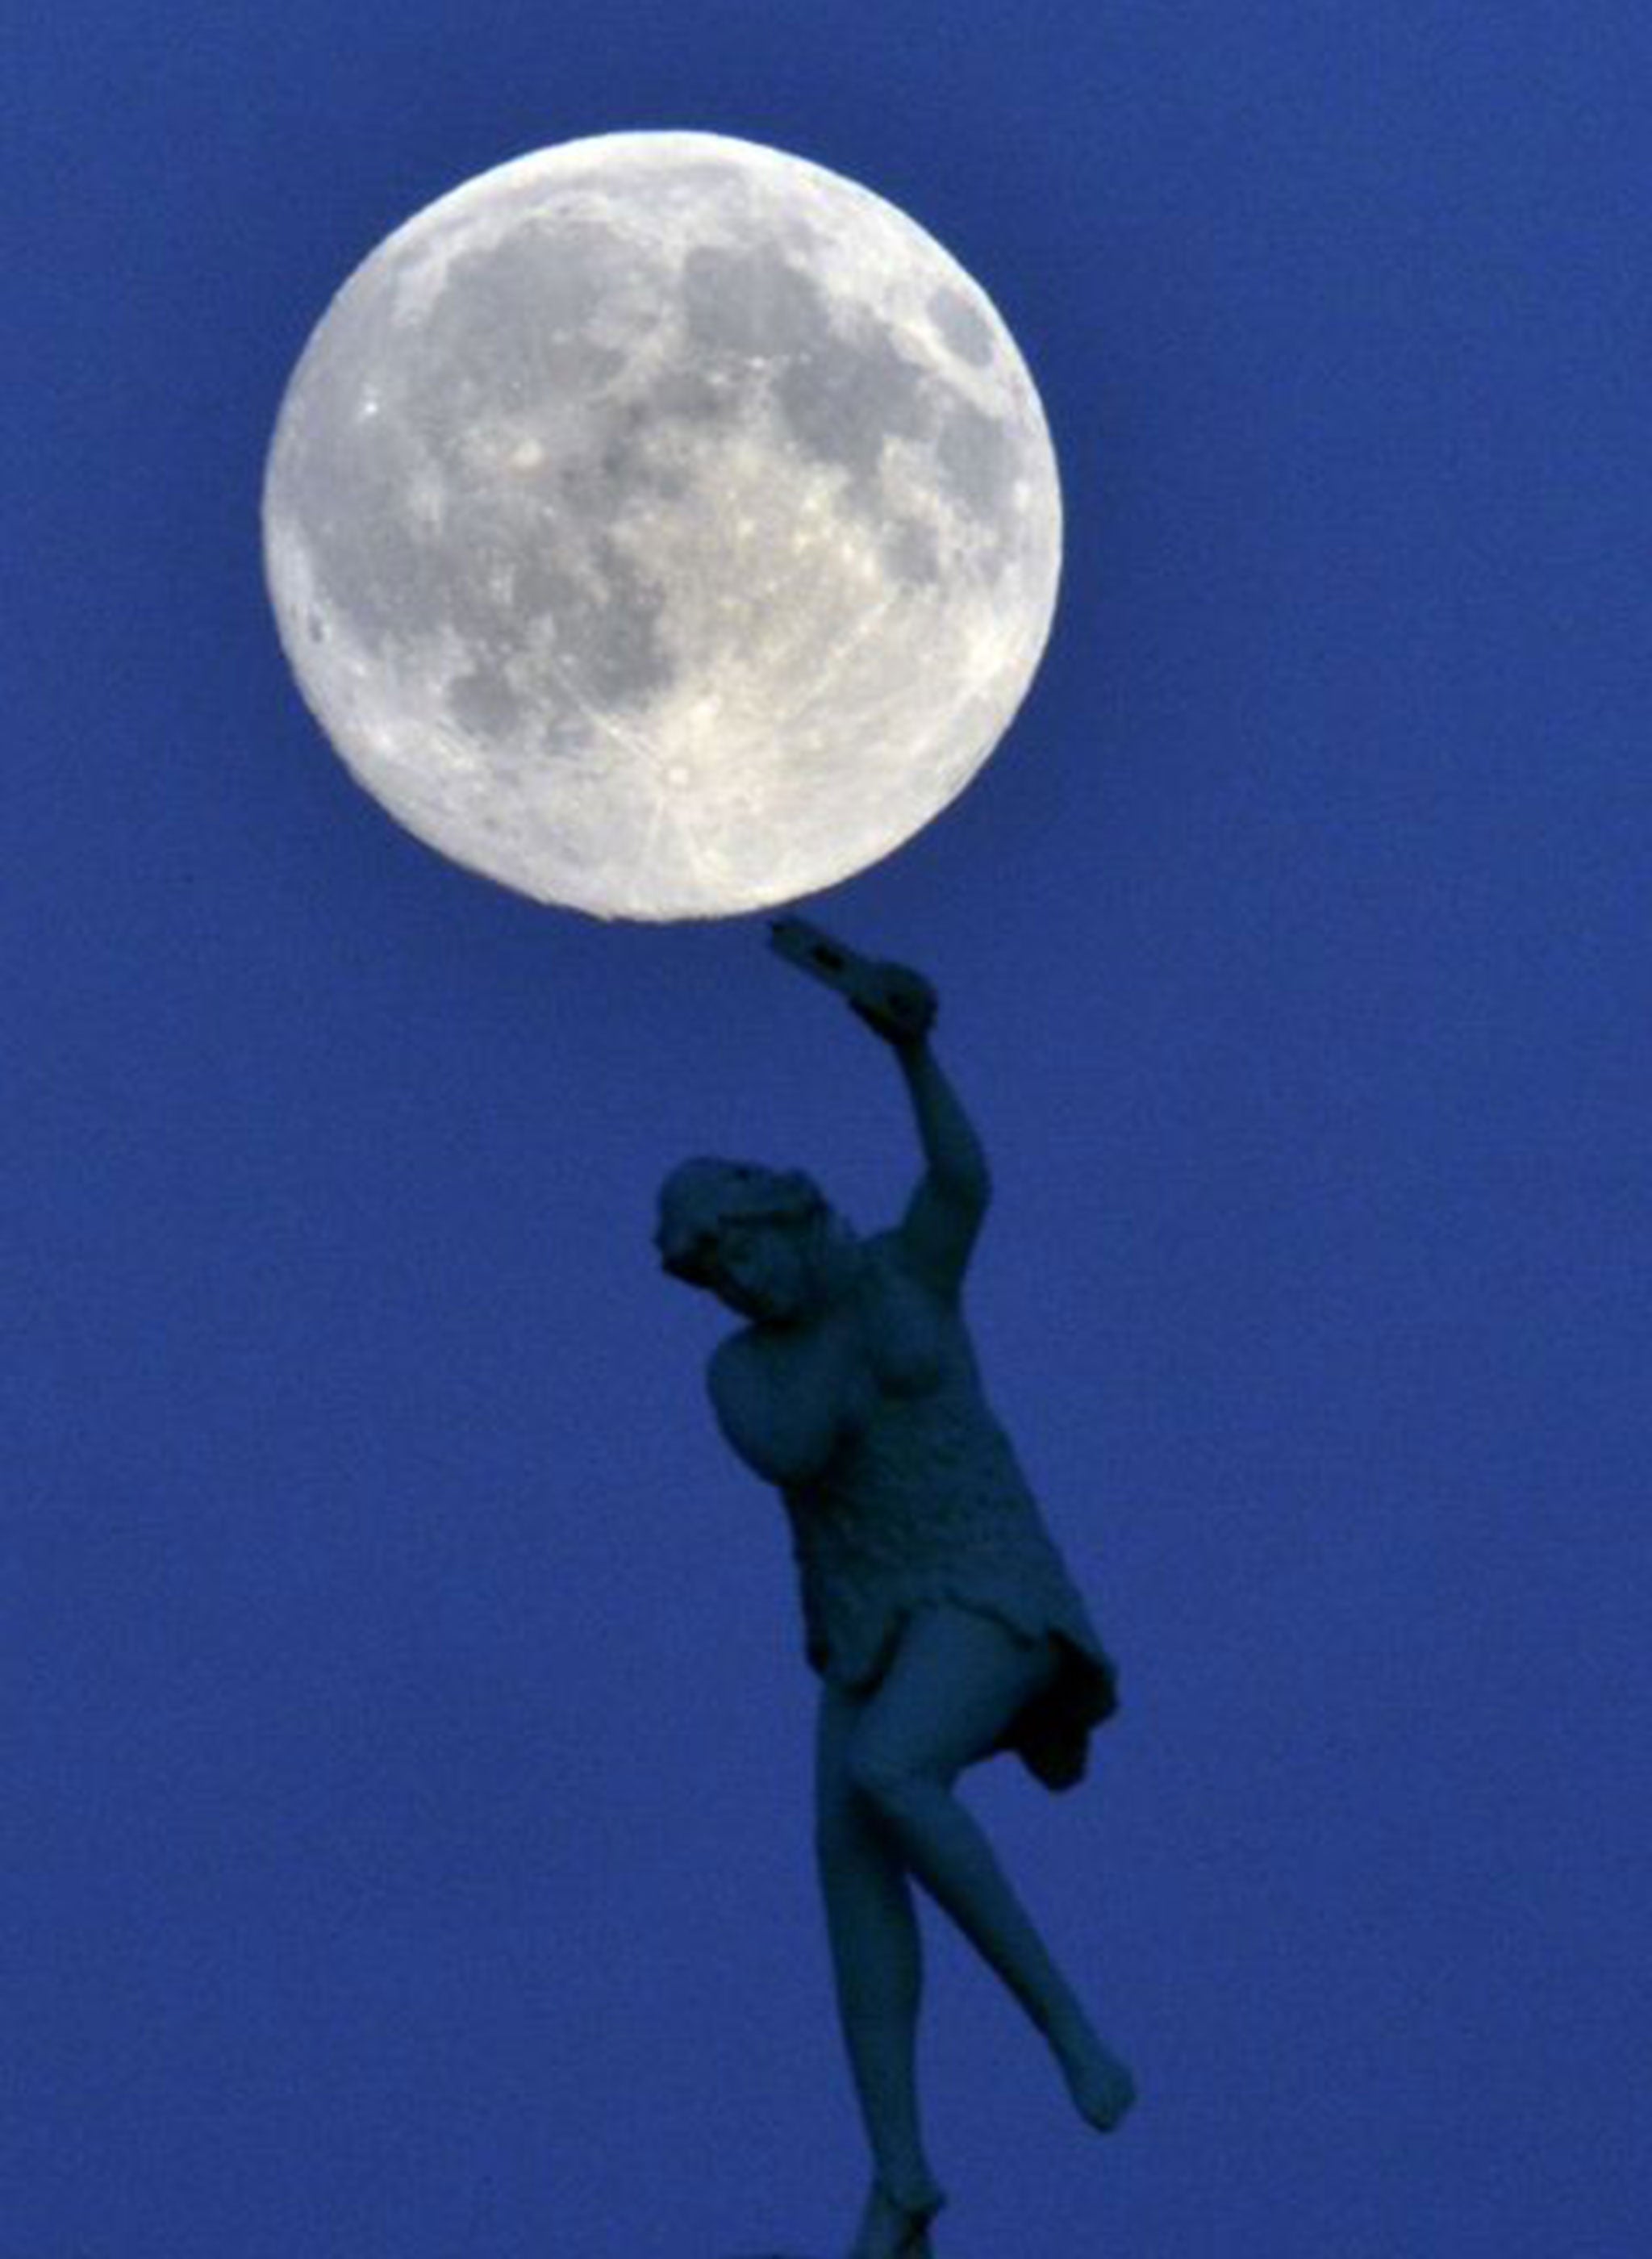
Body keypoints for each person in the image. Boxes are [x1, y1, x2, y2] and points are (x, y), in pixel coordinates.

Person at [655, 931, 1135, 2259]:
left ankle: (1069, 2032)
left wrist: (910, 1045)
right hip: (867, 1619)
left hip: (983, 1575)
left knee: (891, 1773)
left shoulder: (900, 1275)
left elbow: (963, 1184)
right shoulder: (748, 1372)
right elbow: (799, 1443)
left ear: (776, 1217)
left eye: (739, 1250)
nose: (738, 1281)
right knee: (849, 1864)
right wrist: (824, 1322)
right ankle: (904, 2177)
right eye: (716, 1275)